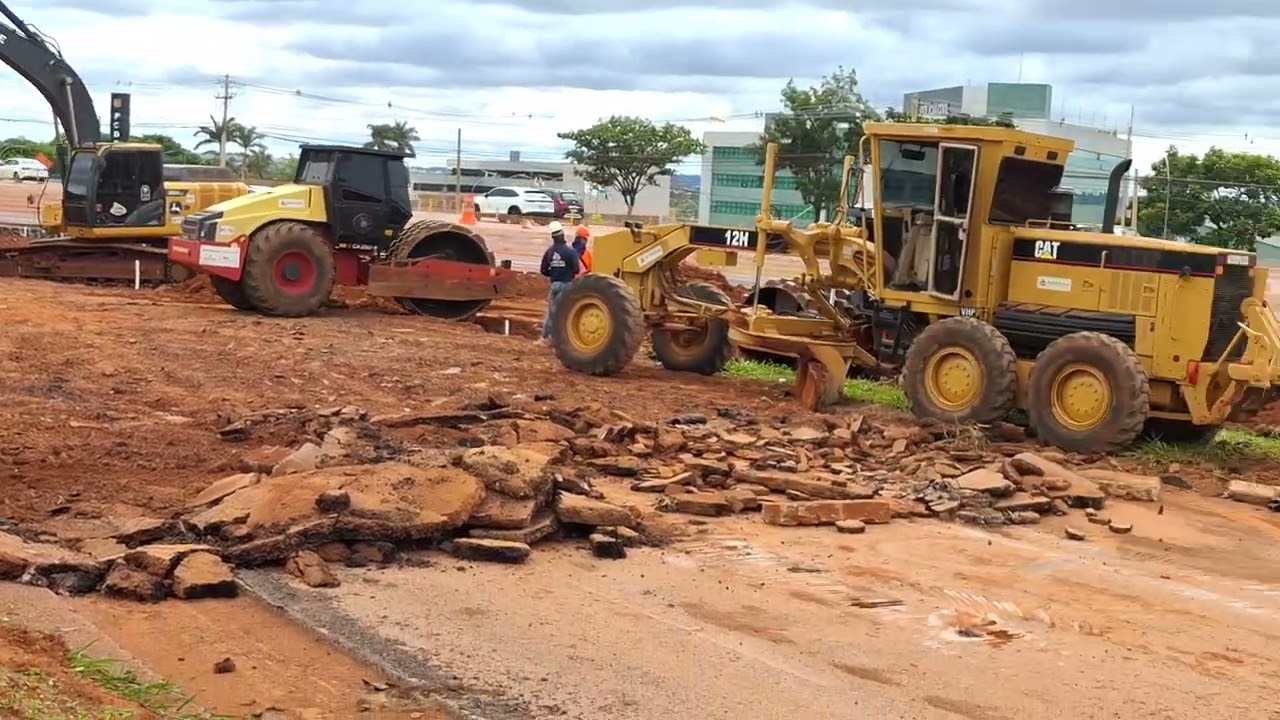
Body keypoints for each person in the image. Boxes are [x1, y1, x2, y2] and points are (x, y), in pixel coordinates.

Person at [539, 220, 580, 344]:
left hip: (555, 284)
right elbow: (576, 269)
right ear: (563, 236)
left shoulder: (549, 252)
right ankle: (561, 339)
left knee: (551, 312)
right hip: (567, 285)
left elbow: (543, 270)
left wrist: (554, 273)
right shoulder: (570, 252)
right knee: (566, 313)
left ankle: (545, 338)